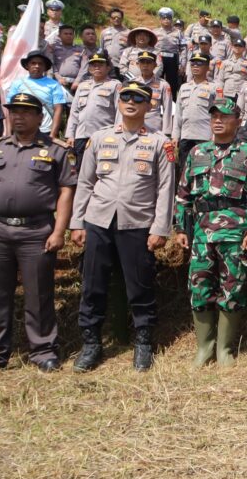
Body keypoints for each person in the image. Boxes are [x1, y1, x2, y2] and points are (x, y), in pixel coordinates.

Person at [70, 80, 175, 372]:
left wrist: (160, 228)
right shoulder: (100, 138)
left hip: (137, 223)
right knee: (93, 284)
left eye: (138, 99)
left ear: (148, 106)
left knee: (139, 285)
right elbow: (85, 182)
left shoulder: (158, 142)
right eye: (125, 97)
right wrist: (77, 222)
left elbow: (165, 188)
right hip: (98, 221)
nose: (131, 102)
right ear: (118, 102)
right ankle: (91, 343)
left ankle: (143, 342)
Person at [173, 98, 247, 368]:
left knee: (233, 287)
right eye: (214, 115)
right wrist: (181, 226)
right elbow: (183, 194)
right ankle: (204, 348)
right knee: (199, 286)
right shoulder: (196, 152)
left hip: (236, 231)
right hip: (202, 232)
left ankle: (225, 349)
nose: (218, 120)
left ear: (237, 121)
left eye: (225, 116)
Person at [0, 93, 76, 372]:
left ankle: (43, 351)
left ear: (39, 117)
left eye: (25, 111)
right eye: (14, 111)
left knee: (39, 295)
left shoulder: (55, 150)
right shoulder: (1, 147)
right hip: (0, 230)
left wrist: (59, 230)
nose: (18, 116)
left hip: (36, 232)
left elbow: (67, 190)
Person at [66, 51, 121, 159]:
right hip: (81, 136)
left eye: (100, 64)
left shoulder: (115, 85)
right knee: (80, 170)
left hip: (105, 136)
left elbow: (120, 112)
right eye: (93, 65)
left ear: (108, 67)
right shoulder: (82, 86)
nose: (96, 67)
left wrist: (118, 134)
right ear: (89, 68)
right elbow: (74, 113)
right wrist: (70, 135)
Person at [5, 49, 68, 138]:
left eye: (40, 63)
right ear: (27, 66)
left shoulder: (54, 84)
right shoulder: (17, 83)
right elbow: (10, 110)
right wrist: (8, 133)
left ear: (45, 67)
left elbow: (58, 110)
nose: (37, 66)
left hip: (45, 130)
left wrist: (53, 134)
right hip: (22, 130)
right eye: (33, 63)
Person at [173, 54, 217, 164]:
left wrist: (215, 136)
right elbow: (178, 114)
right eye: (193, 63)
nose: (195, 66)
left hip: (205, 136)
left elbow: (217, 115)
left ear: (207, 67)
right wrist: (175, 136)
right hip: (186, 136)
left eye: (200, 63)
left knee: (203, 171)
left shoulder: (214, 88)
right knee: (184, 171)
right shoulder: (184, 87)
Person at [126, 50, 173, 136]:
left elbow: (168, 110)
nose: (145, 65)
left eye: (148, 62)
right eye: (142, 62)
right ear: (138, 64)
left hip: (154, 126)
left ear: (155, 65)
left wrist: (167, 132)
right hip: (134, 124)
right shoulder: (132, 84)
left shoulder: (163, 85)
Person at [154, 8, 186, 97]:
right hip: (158, 60)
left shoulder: (178, 32)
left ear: (172, 19)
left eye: (169, 18)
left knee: (172, 84)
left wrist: (183, 65)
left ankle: (172, 103)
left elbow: (183, 49)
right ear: (160, 19)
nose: (166, 20)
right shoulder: (155, 32)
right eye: (164, 18)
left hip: (172, 60)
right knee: (156, 81)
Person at [47, 23, 84, 93]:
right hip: (57, 82)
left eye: (71, 34)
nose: (68, 36)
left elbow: (84, 66)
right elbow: (51, 64)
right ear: (60, 35)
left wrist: (77, 81)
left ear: (74, 35)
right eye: (65, 34)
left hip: (76, 84)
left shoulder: (81, 49)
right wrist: (58, 77)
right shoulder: (54, 48)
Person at [216, 36, 247, 100]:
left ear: (244, 49)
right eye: (236, 46)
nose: (237, 48)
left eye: (240, 46)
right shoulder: (224, 63)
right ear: (232, 47)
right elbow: (220, 80)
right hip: (226, 93)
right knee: (222, 109)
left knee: (240, 110)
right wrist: (219, 96)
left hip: (241, 94)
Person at [70, 24, 100, 92]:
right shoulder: (75, 50)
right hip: (75, 83)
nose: (91, 36)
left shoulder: (102, 52)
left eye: (93, 34)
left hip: (96, 82)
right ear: (81, 37)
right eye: (88, 34)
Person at [100, 8, 129, 76]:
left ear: (122, 18)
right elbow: (102, 48)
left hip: (121, 65)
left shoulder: (128, 33)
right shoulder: (104, 32)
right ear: (110, 19)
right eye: (113, 17)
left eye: (118, 17)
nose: (116, 19)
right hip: (107, 65)